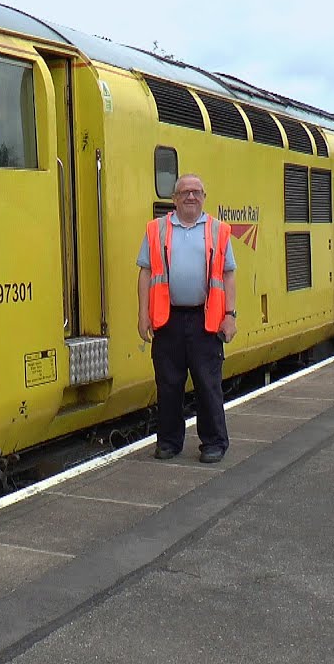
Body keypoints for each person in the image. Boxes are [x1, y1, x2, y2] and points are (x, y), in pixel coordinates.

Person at [136, 174, 237, 463]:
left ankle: (214, 443)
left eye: (195, 192)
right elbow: (145, 272)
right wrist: (143, 314)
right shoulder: (157, 229)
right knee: (168, 384)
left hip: (206, 319)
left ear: (204, 197)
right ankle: (168, 442)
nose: (190, 197)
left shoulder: (218, 230)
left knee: (208, 384)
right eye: (184, 192)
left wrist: (230, 316)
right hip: (167, 319)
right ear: (174, 199)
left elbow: (228, 274)